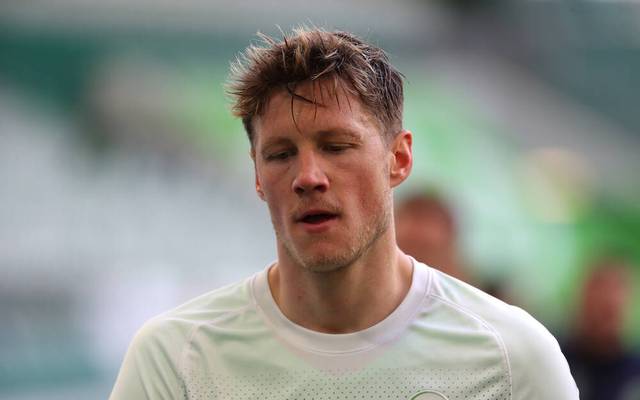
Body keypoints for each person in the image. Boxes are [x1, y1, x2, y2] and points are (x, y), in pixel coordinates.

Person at [109, 27, 578, 399]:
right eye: (280, 155)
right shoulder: (176, 360)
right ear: (257, 176)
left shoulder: (512, 358)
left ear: (399, 159)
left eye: (336, 146)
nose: (308, 176)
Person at [562, 256, 640, 400]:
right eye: (600, 288)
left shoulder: (634, 375)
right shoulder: (558, 359)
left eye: (609, 312)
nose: (607, 298)